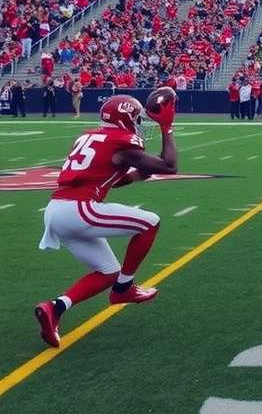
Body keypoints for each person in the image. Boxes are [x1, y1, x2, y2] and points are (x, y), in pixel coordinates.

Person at [34, 94, 177, 348]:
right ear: (125, 119)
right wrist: (167, 128)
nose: (139, 124)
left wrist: (141, 173)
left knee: (108, 271)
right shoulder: (121, 141)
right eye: (136, 119)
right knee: (150, 222)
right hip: (78, 208)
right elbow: (169, 165)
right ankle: (125, 289)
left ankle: (54, 309)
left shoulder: (90, 137)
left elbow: (112, 177)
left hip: (56, 209)